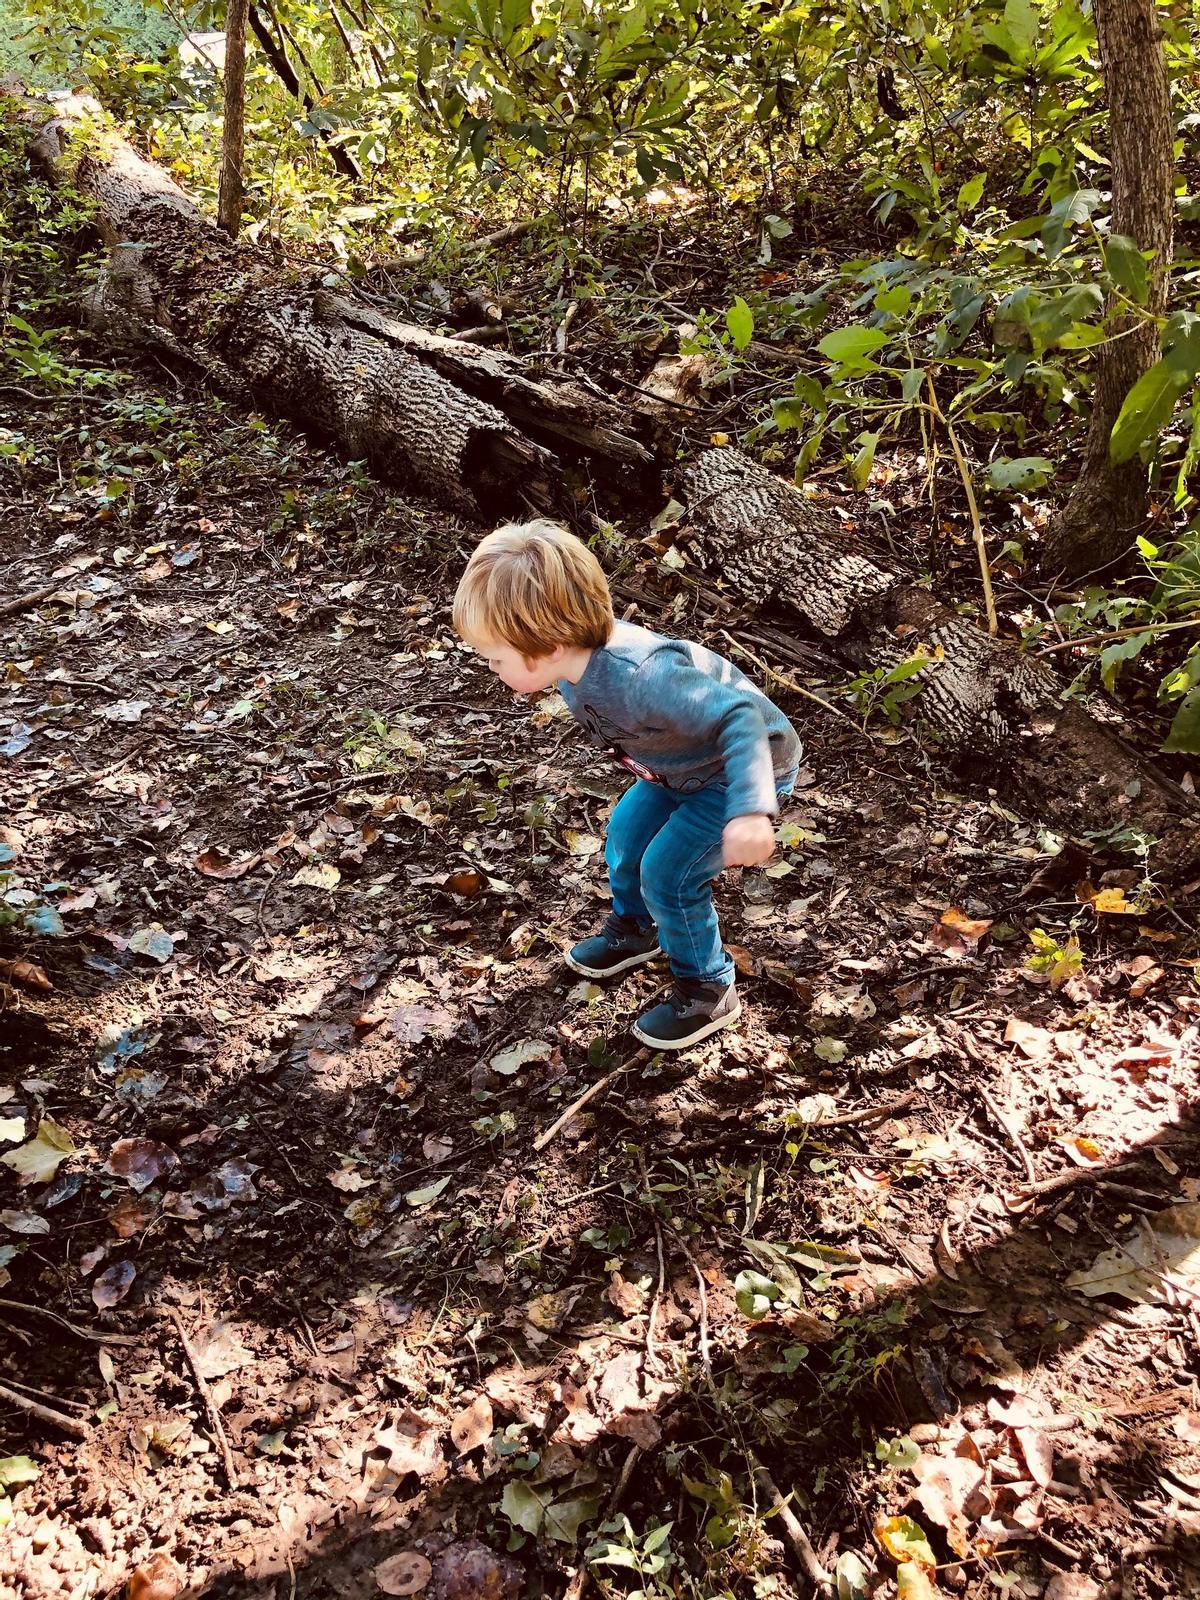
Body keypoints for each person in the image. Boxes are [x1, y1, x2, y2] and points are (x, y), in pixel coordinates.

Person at [452, 519, 802, 1050]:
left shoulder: (642, 675)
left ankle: (708, 986)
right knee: (626, 836)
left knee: (670, 873)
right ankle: (636, 929)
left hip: (737, 774)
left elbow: (740, 719)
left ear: (546, 644)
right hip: (675, 769)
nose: (492, 669)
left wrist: (751, 810)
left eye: (496, 659)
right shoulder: (571, 665)